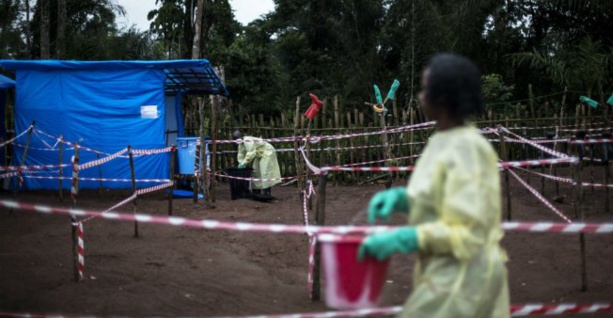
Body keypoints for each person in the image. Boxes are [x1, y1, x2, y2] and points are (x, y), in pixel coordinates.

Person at [358, 53, 510, 318]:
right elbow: (441, 199)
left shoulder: (469, 148)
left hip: (467, 281)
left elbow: (470, 233)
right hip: (442, 273)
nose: (420, 96)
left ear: (443, 97)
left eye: (426, 89)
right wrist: (404, 200)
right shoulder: (440, 140)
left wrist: (407, 238)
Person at [233, 130, 281, 197]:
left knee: (265, 171)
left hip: (267, 152)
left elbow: (251, 153)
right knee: (255, 171)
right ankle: (256, 191)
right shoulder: (241, 145)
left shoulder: (247, 140)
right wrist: (240, 163)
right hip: (259, 154)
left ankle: (266, 192)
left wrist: (243, 163)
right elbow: (240, 155)